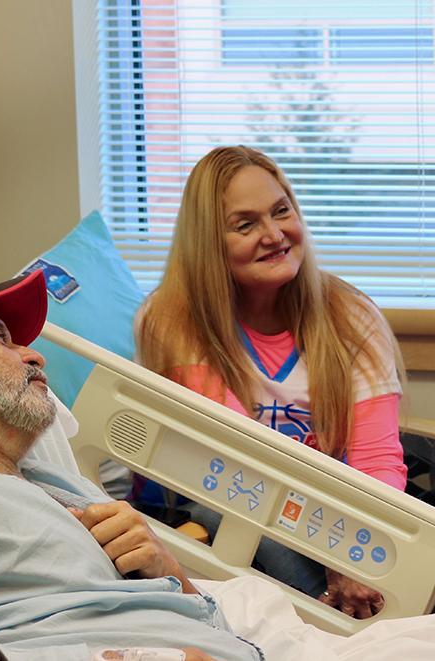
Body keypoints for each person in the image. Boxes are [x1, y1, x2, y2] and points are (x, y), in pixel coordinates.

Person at [0, 270, 261, 660]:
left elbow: (211, 633)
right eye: (0, 338)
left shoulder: (53, 483)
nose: (35, 356)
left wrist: (171, 574)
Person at [135, 145, 405, 619]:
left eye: (282, 211)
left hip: (331, 521)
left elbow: (376, 458)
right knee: (226, 515)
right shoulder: (172, 320)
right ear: (209, 243)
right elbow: (243, 461)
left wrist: (359, 553)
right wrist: (336, 561)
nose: (274, 234)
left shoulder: (352, 316)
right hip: (218, 512)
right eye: (246, 224)